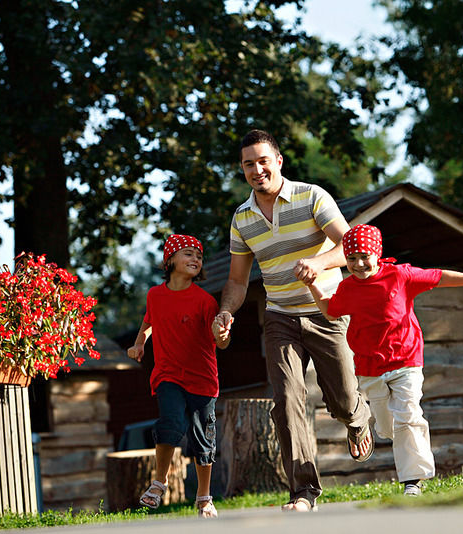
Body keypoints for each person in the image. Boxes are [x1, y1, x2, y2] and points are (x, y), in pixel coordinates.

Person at [212, 129, 373, 513]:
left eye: (263, 160)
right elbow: (236, 281)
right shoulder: (242, 218)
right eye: (248, 164)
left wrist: (318, 263)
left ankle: (357, 416)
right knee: (285, 401)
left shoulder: (311, 196)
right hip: (280, 316)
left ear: (278, 161)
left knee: (344, 397)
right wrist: (224, 312)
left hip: (326, 311)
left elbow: (349, 246)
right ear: (242, 169)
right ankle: (304, 492)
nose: (257, 169)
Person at [307, 224, 463, 496]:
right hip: (370, 367)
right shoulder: (348, 287)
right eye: (351, 258)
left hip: (405, 360)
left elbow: (439, 277)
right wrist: (313, 284)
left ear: (377, 253)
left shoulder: (400, 275)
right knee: (388, 427)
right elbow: (330, 311)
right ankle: (380, 430)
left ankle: (413, 480)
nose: (359, 263)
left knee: (408, 416)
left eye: (365, 256)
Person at [128, 234, 230, 518]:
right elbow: (149, 320)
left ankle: (204, 497)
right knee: (170, 423)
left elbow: (219, 342)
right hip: (168, 374)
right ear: (170, 260)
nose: (195, 259)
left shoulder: (206, 301)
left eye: (198, 256)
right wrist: (139, 343)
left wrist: (222, 335)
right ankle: (158, 483)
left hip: (202, 380)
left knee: (202, 439)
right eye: (188, 254)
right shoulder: (155, 295)